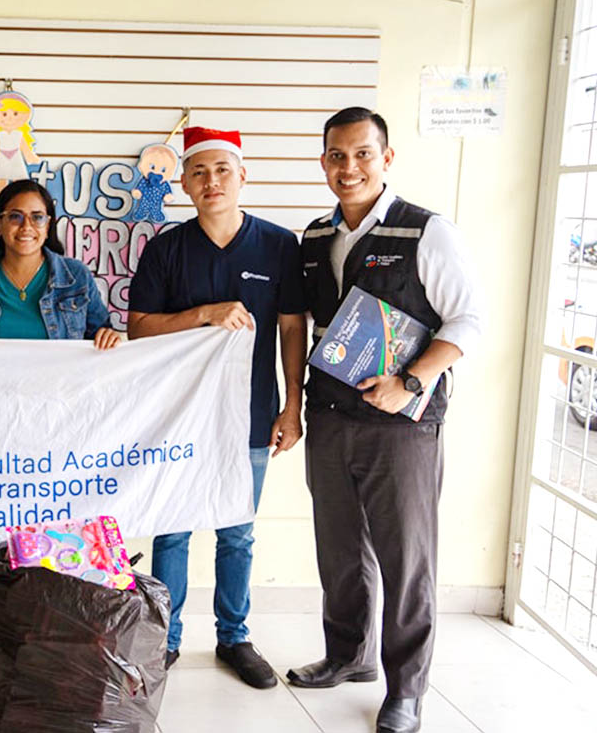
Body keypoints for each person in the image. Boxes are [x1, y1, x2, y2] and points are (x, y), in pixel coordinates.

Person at [285, 107, 481, 733]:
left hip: (404, 428)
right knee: (340, 550)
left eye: (362, 154)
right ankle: (348, 657)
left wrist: (412, 382)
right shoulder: (314, 238)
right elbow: (307, 328)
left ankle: (407, 690)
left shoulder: (426, 231)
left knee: (406, 558)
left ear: (387, 158)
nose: (349, 168)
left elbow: (468, 322)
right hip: (332, 418)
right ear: (323, 162)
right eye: (337, 156)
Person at [126, 126, 307, 689]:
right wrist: (204, 312)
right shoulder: (166, 249)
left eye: (222, 170)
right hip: (180, 417)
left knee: (238, 532)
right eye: (199, 172)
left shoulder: (278, 245)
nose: (211, 182)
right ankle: (167, 638)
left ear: (243, 176)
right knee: (173, 530)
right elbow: (138, 329)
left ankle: (234, 637)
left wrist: (292, 404)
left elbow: (292, 328)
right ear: (183, 183)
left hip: (252, 416)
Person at [0, 178, 119, 349]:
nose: (26, 226)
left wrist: (109, 336)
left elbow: (102, 332)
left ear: (48, 226)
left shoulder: (77, 276)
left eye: (37, 217)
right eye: (15, 217)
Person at [0, 93, 42, 206]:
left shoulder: (19, 135)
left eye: (15, 114)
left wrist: (30, 156)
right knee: (1, 180)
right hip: (3, 159)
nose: (10, 118)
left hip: (16, 159)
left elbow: (25, 148)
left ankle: (20, 200)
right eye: (4, 114)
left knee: (18, 181)